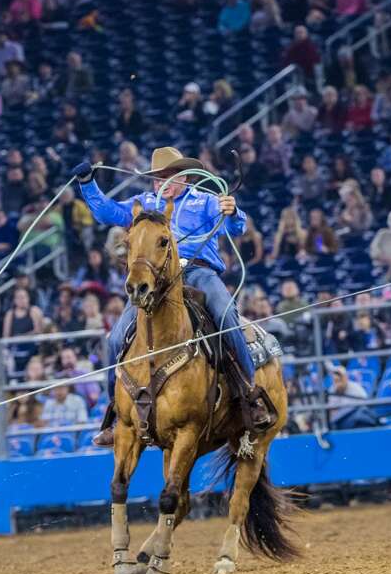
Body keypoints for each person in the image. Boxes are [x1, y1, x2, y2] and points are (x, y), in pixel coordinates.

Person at [73, 146, 273, 446]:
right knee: (115, 338)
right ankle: (115, 414)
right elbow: (107, 212)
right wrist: (87, 184)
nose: (160, 183)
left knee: (226, 316)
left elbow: (236, 226)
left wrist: (234, 211)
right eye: (156, 178)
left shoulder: (206, 200)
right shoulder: (144, 204)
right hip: (158, 279)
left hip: (199, 272)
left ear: (185, 177)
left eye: (167, 177)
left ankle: (249, 395)